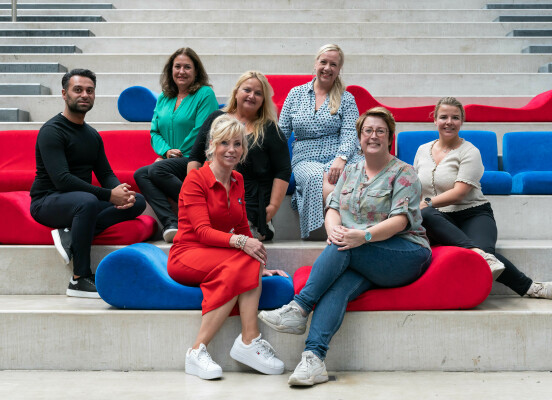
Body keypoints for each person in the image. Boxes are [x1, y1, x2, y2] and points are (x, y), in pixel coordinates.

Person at [259, 108, 432, 386]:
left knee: (345, 246)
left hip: (404, 253)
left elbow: (400, 221)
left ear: (390, 137)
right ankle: (314, 359)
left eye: (380, 131)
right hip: (360, 253)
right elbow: (333, 207)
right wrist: (333, 230)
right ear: (359, 137)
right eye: (368, 131)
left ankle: (299, 307)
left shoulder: (404, 173)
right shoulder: (351, 170)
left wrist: (361, 236)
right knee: (337, 286)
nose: (373, 136)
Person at [167, 115, 287, 380]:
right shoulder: (195, 180)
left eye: (237, 144)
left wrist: (260, 266)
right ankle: (197, 351)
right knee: (243, 259)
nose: (231, 149)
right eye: (224, 143)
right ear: (212, 144)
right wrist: (242, 243)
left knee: (251, 261)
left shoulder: (238, 179)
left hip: (216, 252)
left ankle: (249, 340)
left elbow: (242, 226)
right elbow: (202, 231)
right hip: (187, 253)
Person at [414, 96, 552, 299]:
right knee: (426, 214)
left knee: (485, 252)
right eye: (443, 117)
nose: (449, 122)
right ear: (435, 120)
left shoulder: (470, 152)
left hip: (473, 214)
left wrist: (426, 202)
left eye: (455, 117)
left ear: (462, 121)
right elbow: (416, 185)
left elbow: (460, 193)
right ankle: (480, 254)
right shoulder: (422, 150)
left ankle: (533, 288)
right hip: (438, 218)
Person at [30, 69, 146, 298]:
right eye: (78, 90)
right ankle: (79, 279)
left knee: (138, 201)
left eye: (90, 90)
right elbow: (62, 180)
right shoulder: (52, 131)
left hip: (81, 201)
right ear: (64, 94)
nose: (85, 95)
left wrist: (120, 192)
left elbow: (105, 173)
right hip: (48, 201)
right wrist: (108, 196)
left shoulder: (92, 135)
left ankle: (71, 234)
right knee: (88, 202)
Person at [187, 71, 291, 241]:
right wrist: (194, 191)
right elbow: (195, 157)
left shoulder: (270, 129)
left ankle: (261, 226)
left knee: (230, 236)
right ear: (236, 92)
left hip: (250, 199)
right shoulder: (216, 118)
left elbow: (283, 170)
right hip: (214, 191)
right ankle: (172, 222)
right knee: (155, 172)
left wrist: (272, 207)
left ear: (263, 100)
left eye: (258, 93)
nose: (252, 96)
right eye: (247, 90)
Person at [134, 47, 219, 243]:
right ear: (170, 70)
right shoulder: (164, 97)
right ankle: (171, 223)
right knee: (140, 174)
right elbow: (154, 131)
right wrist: (166, 152)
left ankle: (198, 208)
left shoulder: (205, 94)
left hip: (197, 159)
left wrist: (176, 154)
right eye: (177, 66)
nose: (182, 71)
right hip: (170, 161)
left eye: (187, 67)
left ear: (196, 71)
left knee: (156, 170)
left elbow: (202, 130)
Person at [279, 43, 363, 239]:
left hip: (341, 155)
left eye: (333, 64)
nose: (327, 68)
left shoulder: (346, 98)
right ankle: (336, 232)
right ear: (315, 64)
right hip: (305, 158)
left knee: (352, 173)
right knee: (318, 176)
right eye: (323, 62)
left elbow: (350, 133)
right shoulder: (295, 94)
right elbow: (281, 133)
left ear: (339, 69)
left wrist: (341, 158)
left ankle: (348, 231)